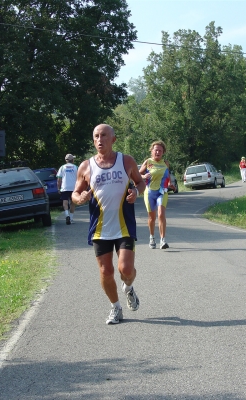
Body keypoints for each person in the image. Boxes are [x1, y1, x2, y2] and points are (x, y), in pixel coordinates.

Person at [72, 124, 145, 325]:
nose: (99, 139)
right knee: (106, 272)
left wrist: (136, 192)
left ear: (113, 139)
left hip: (124, 224)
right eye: (96, 136)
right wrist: (80, 198)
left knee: (126, 270)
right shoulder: (86, 166)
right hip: (99, 227)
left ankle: (128, 288)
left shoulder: (126, 161)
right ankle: (115, 307)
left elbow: (141, 182)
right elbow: (75, 193)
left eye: (104, 135)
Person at [139, 140, 171, 250]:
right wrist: (143, 177)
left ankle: (163, 240)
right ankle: (152, 237)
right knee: (152, 217)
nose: (158, 152)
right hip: (149, 193)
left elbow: (167, 175)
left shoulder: (165, 163)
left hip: (162, 192)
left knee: (161, 214)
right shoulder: (148, 162)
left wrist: (170, 184)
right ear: (152, 151)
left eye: (160, 151)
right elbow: (138, 174)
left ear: (163, 152)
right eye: (156, 150)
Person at [57, 154, 78, 225]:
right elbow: (79, 178)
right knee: (73, 203)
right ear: (72, 160)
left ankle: (67, 215)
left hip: (64, 187)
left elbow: (59, 179)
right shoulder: (76, 167)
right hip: (73, 188)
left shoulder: (62, 167)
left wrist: (58, 188)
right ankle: (71, 219)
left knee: (65, 202)